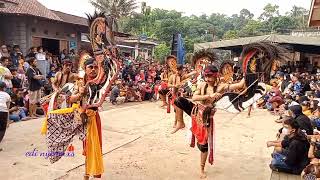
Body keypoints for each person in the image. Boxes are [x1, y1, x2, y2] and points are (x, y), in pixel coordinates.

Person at [173, 65, 245, 178]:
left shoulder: (222, 86)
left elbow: (240, 85)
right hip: (196, 111)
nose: (207, 79)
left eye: (210, 76)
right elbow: (195, 97)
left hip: (206, 118)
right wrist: (210, 95)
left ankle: (201, 168)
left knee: (203, 146)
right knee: (178, 100)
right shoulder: (202, 85)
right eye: (206, 76)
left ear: (216, 76)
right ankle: (180, 122)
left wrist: (247, 71)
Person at [69, 58, 104, 179]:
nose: (93, 69)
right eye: (91, 67)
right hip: (84, 118)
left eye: (95, 67)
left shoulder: (99, 82)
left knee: (96, 146)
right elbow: (71, 99)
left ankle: (93, 172)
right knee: (88, 147)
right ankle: (87, 173)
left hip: (95, 117)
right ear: (85, 69)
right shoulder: (79, 83)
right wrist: (80, 94)